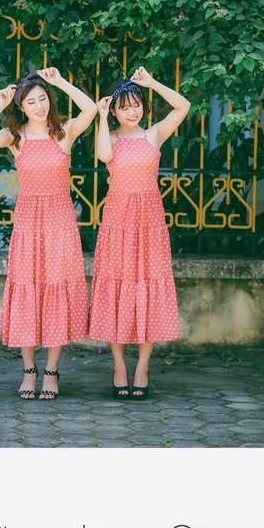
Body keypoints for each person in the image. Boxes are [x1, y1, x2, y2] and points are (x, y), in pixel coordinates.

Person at [0, 67, 96, 400]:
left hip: (59, 223)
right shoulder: (17, 136)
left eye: (43, 99)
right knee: (28, 290)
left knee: (55, 290)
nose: (39, 106)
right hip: (28, 223)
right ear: (22, 107)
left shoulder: (63, 132)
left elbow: (91, 109)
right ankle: (29, 371)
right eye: (31, 102)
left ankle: (52, 372)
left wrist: (61, 81)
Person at [89, 66, 190, 399]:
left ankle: (143, 365)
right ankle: (119, 364)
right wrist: (102, 117)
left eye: (136, 105)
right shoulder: (112, 136)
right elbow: (103, 155)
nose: (132, 112)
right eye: (124, 107)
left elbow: (183, 107)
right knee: (116, 287)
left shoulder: (153, 135)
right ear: (115, 111)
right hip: (118, 220)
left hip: (149, 222)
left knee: (149, 286)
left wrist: (152, 83)